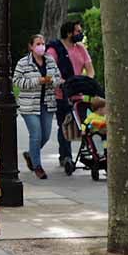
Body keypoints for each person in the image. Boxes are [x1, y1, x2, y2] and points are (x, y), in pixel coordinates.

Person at [13, 34, 62, 180]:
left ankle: (31, 155)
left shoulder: (50, 61)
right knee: (36, 134)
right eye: (38, 43)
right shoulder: (23, 63)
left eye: (43, 43)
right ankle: (37, 166)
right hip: (29, 105)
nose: (41, 46)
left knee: (46, 135)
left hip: (47, 103)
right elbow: (17, 81)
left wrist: (52, 81)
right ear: (31, 46)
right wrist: (37, 81)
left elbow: (58, 78)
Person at [46, 20, 95, 168]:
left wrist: (87, 80)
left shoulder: (80, 48)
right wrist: (61, 81)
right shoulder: (54, 50)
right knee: (65, 125)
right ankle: (66, 156)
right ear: (69, 33)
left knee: (86, 125)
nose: (80, 34)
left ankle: (91, 153)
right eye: (78, 32)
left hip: (78, 94)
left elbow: (90, 69)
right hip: (62, 95)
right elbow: (50, 71)